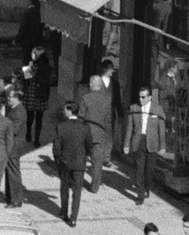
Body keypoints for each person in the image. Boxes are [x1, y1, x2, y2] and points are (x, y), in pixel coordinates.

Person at [77, 64, 116, 194]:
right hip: (100, 133)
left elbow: (81, 117)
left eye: (89, 83)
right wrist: (108, 134)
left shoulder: (85, 98)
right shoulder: (107, 99)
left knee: (81, 157)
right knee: (97, 161)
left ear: (92, 85)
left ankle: (77, 181)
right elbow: (108, 118)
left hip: (87, 132)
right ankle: (95, 187)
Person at [51, 102, 87, 226]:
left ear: (70, 111)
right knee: (77, 191)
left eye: (65, 110)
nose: (63, 112)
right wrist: (84, 157)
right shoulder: (85, 127)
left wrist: (57, 160)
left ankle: (63, 211)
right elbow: (89, 145)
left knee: (64, 188)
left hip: (65, 162)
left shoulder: (61, 126)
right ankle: (73, 218)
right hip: (79, 162)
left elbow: (56, 147)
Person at [120, 88, 154, 204]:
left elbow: (161, 128)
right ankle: (140, 196)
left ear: (150, 97)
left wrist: (162, 146)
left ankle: (146, 187)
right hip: (138, 141)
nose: (140, 99)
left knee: (149, 170)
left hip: (151, 142)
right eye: (139, 97)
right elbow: (129, 127)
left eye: (143, 97)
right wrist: (126, 144)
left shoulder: (157, 109)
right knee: (139, 169)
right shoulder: (134, 108)